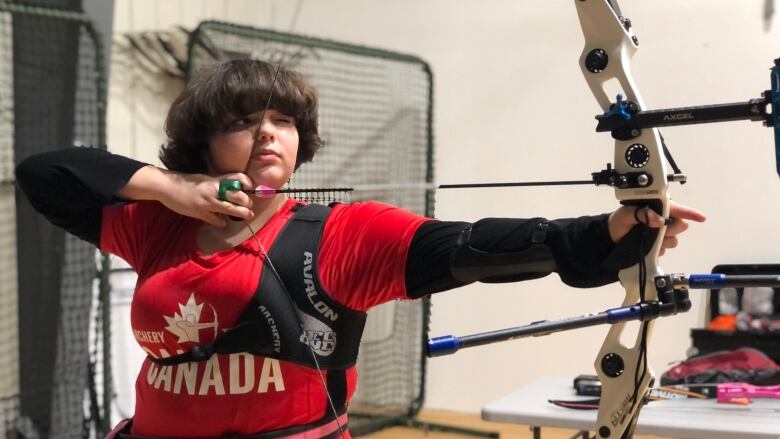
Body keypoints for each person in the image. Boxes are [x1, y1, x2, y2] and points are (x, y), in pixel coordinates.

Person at [15, 59, 705, 439]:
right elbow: (45, 173)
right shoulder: (153, 226)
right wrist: (170, 189)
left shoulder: (338, 234)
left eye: (283, 121)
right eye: (243, 122)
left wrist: (604, 234)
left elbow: (468, 246)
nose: (268, 135)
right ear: (204, 141)